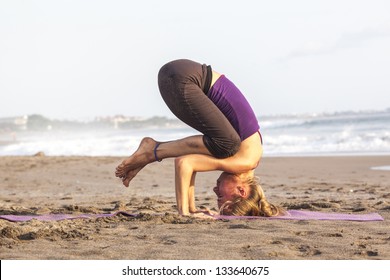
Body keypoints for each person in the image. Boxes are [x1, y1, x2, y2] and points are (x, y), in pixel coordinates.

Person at [115, 59, 283, 217]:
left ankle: (153, 149)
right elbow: (184, 163)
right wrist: (184, 214)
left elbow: (189, 161)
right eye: (221, 197)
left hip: (179, 77)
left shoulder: (247, 159)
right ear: (241, 191)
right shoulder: (244, 161)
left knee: (226, 144)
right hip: (184, 79)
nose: (215, 190)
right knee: (228, 145)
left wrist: (192, 209)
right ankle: (152, 150)